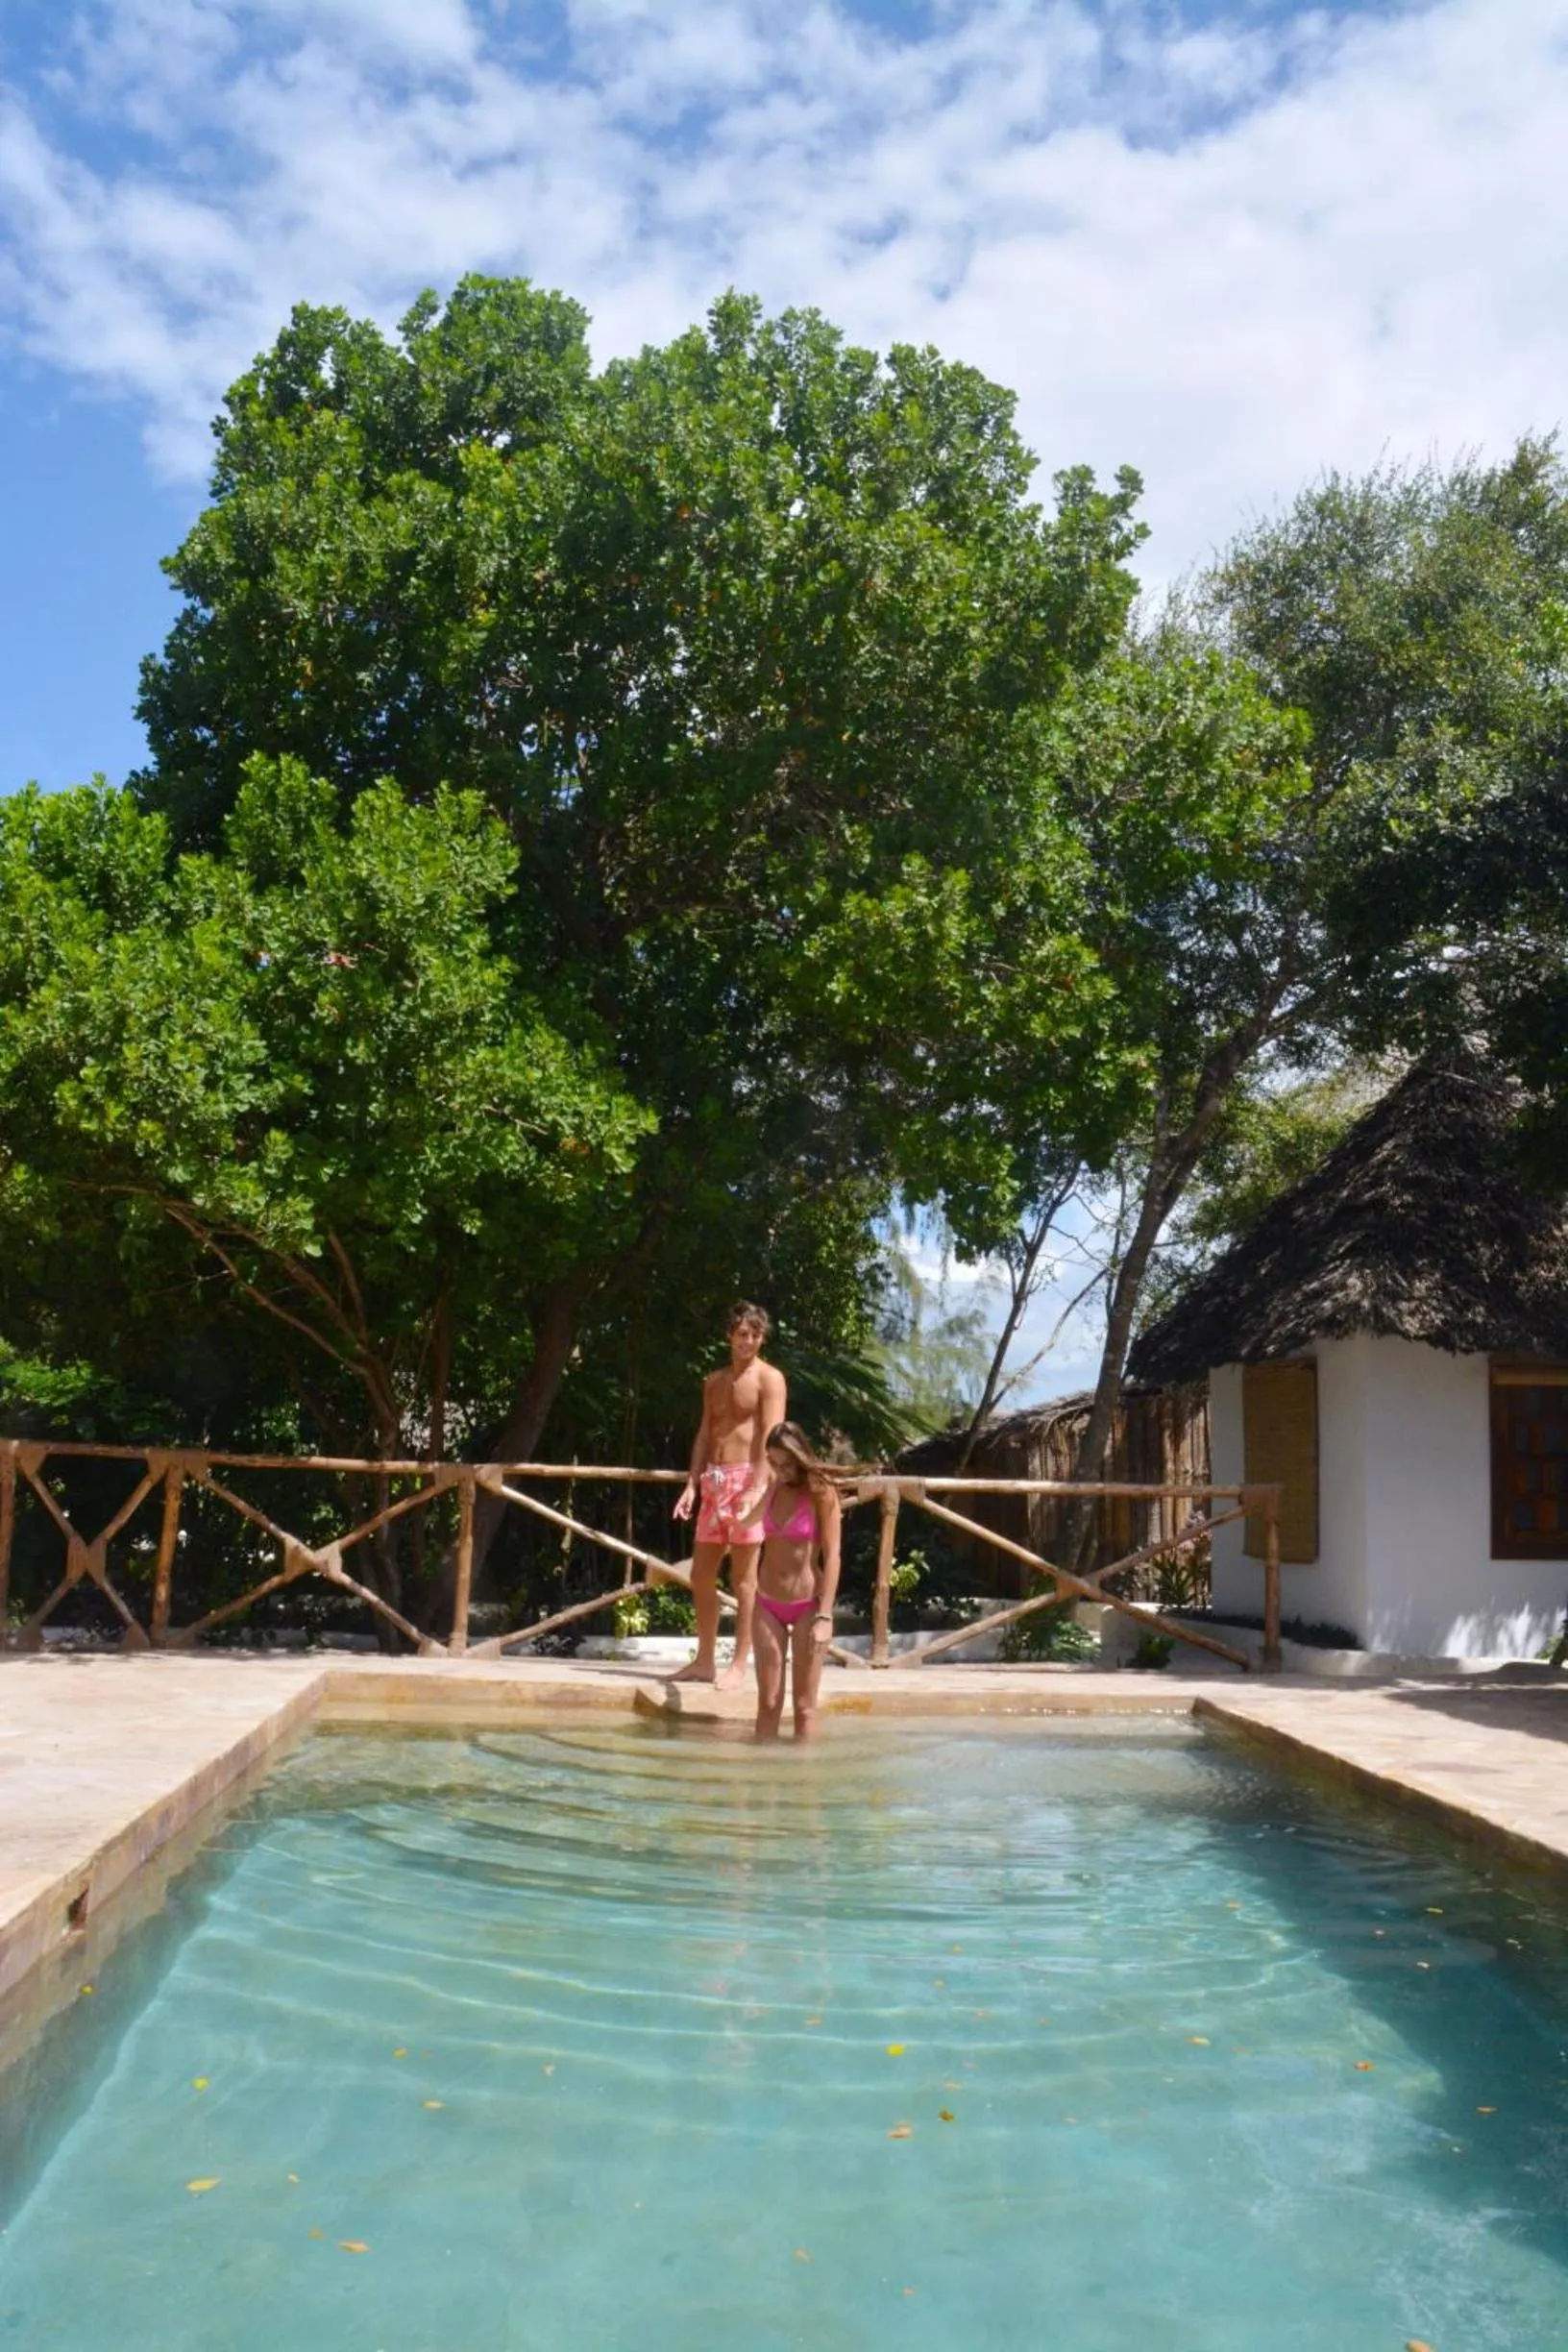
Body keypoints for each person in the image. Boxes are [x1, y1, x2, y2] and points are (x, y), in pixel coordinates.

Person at [671, 1303, 786, 1686]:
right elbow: (705, 1434)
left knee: (744, 1579)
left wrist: (758, 1487)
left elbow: (773, 1436)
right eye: (742, 1334)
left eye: (755, 1335)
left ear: (761, 1338)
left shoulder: (770, 1379)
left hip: (748, 1482)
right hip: (714, 1482)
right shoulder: (714, 1381)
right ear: (729, 1336)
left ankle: (739, 1663)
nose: (748, 1341)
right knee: (701, 1575)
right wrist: (691, 1484)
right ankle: (705, 1660)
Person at [745, 1421, 841, 1742]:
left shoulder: (822, 1492)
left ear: (800, 1456)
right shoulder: (773, 1487)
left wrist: (825, 1616)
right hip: (767, 1602)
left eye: (785, 1464)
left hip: (808, 1605)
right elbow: (746, 1522)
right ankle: (761, 1781)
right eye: (773, 1463)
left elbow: (834, 1555)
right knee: (768, 1702)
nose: (780, 1470)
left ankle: (803, 1787)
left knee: (804, 1707)